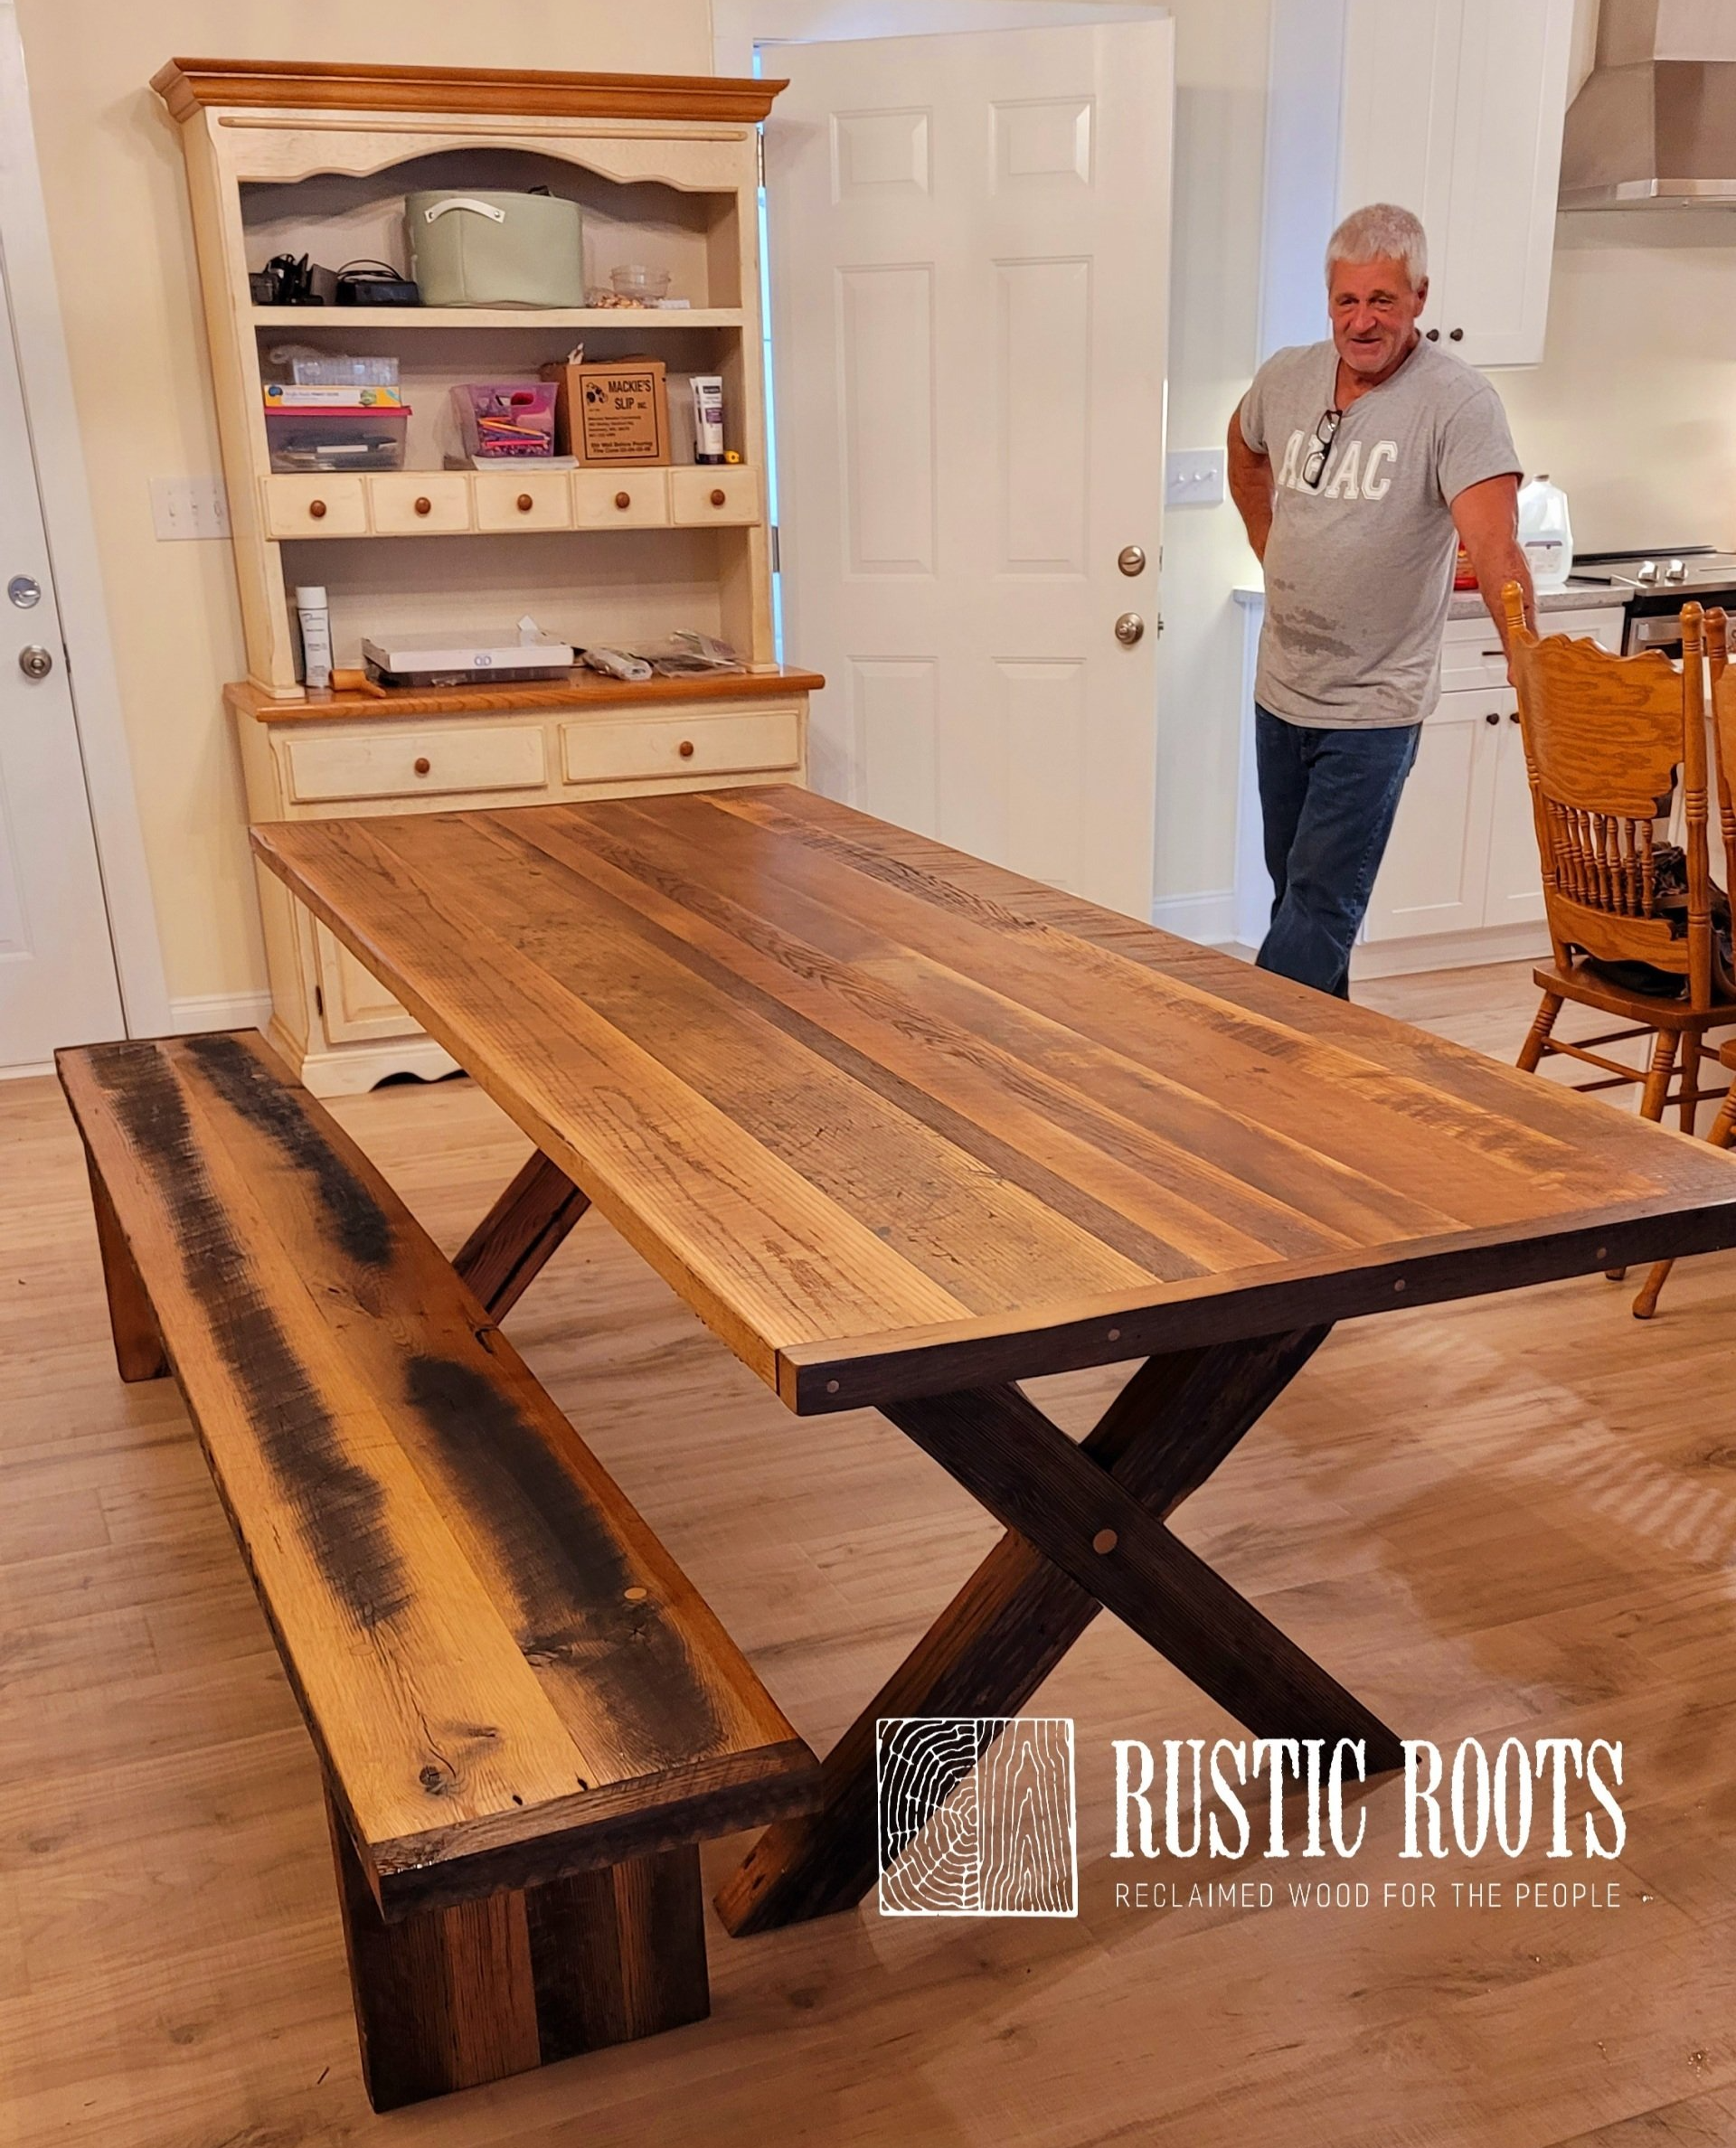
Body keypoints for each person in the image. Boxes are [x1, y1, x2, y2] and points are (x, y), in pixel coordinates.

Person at [1227, 202, 1533, 997]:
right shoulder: (1287, 377)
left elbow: (1496, 548)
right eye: (1347, 301)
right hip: (1281, 690)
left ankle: (1244, 1060)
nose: (1362, 321)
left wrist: (1527, 666)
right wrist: (1270, 545)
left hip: (1375, 705)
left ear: (1420, 298)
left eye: (1383, 301)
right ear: (1329, 300)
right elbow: (1244, 444)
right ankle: (1322, 1090)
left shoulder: (1457, 404)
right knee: (1297, 900)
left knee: (1321, 904)